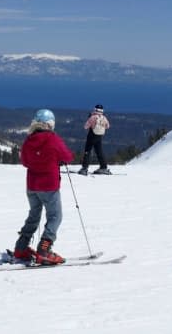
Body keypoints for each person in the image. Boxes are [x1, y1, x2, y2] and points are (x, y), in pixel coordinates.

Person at [12, 109, 74, 265]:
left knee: (34, 216)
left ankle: (21, 247)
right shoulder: (53, 139)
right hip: (49, 185)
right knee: (55, 217)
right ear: (50, 124)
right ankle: (44, 250)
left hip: (32, 185)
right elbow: (67, 157)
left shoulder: (29, 140)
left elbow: (25, 162)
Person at [78, 104, 111, 175]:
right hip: (99, 136)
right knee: (99, 151)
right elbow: (108, 126)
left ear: (95, 109)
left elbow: (86, 126)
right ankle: (103, 167)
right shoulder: (104, 118)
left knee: (88, 151)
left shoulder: (93, 117)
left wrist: (89, 118)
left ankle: (84, 168)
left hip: (92, 136)